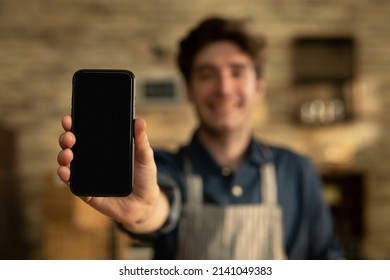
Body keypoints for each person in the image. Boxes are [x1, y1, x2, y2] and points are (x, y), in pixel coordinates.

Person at [57, 16, 342, 259]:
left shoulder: (297, 170)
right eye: (207, 74)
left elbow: (327, 258)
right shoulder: (164, 167)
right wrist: (144, 212)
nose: (224, 88)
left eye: (237, 72)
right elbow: (161, 204)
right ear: (189, 90)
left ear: (259, 88)